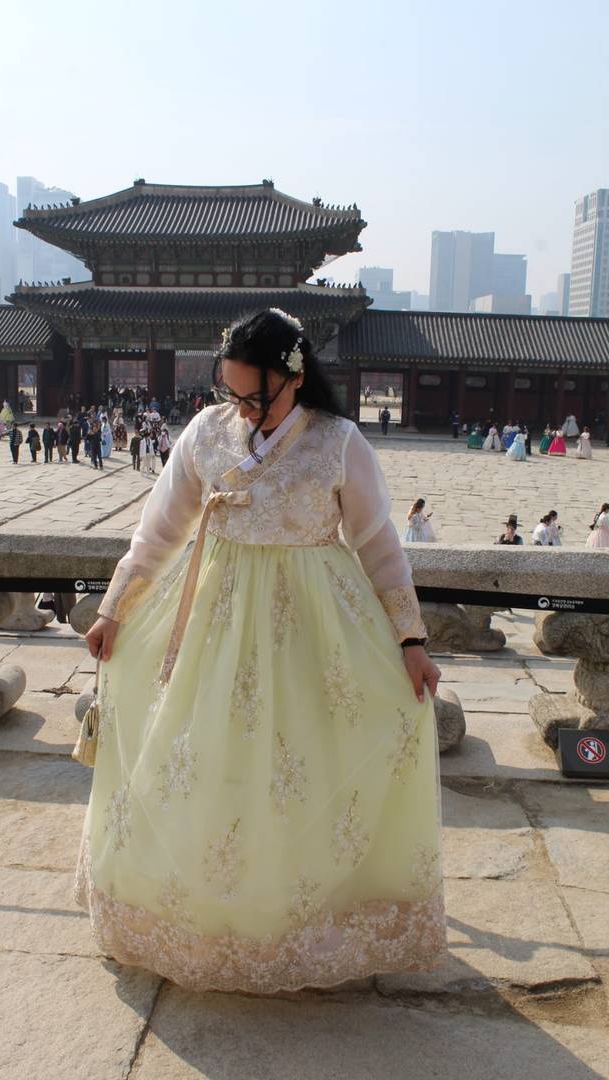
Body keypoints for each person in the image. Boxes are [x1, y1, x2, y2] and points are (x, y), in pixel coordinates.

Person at [77, 308, 445, 993]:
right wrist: (114, 609)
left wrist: (410, 640)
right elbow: (158, 532)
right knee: (203, 762)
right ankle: (204, 917)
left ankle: (309, 919)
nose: (243, 409)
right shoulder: (206, 434)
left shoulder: (338, 443)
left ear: (294, 375)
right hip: (214, 624)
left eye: (256, 394)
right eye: (233, 394)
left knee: (303, 766)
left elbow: (377, 546)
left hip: (314, 629)